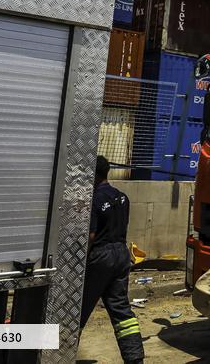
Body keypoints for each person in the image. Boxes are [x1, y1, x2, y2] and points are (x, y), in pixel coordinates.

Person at [80, 156, 144, 364]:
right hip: (121, 255)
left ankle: (57, 354)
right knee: (121, 311)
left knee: (78, 309)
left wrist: (79, 260)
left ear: (93, 174)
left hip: (101, 256)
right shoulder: (122, 197)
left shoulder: (95, 199)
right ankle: (135, 359)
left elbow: (91, 235)